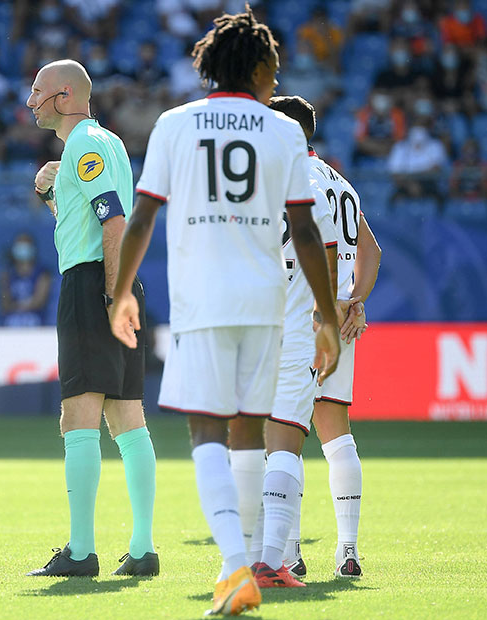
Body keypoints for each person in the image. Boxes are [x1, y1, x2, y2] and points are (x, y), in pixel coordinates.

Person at [108, 8, 340, 615]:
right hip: (265, 301)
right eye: (274, 68)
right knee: (247, 433)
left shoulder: (175, 124)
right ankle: (240, 568)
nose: (276, 78)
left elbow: (142, 217)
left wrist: (123, 291)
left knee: (206, 430)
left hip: (201, 300)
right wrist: (325, 316)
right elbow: (307, 232)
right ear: (259, 66)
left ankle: (235, 569)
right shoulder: (284, 132)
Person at [25, 59, 158, 578]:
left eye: (37, 91)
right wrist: (50, 194)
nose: (30, 100)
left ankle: (81, 552)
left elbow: (114, 221)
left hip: (92, 284)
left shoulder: (81, 143)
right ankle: (143, 548)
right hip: (116, 280)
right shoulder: (109, 143)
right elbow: (87, 217)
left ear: (62, 96)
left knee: (77, 418)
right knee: (127, 417)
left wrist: (109, 294)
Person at [237, 96, 339, 589]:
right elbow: (326, 251)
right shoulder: (306, 186)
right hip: (295, 329)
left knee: (249, 444)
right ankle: (271, 563)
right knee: (285, 441)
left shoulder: (241, 185)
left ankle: (249, 556)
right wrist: (327, 321)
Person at [279, 100, 382, 579]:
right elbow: (371, 251)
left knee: (283, 434)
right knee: (337, 436)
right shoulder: (342, 182)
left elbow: (310, 247)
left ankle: (290, 551)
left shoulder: (296, 177)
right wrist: (355, 301)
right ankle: (348, 551)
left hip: (307, 317)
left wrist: (324, 308)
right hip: (342, 319)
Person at [0, 232, 52, 327]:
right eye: (20, 245)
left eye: (26, 245)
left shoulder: (42, 273)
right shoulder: (7, 274)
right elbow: (4, 303)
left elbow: (40, 301)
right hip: (10, 321)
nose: (23, 249)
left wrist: (17, 306)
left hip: (36, 321)